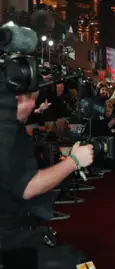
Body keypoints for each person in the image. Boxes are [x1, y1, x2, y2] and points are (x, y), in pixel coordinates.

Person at [0, 89, 93, 266]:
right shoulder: (6, 134)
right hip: (10, 238)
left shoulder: (9, 127)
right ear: (17, 99)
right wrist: (73, 161)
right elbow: (28, 187)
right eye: (32, 100)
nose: (34, 105)